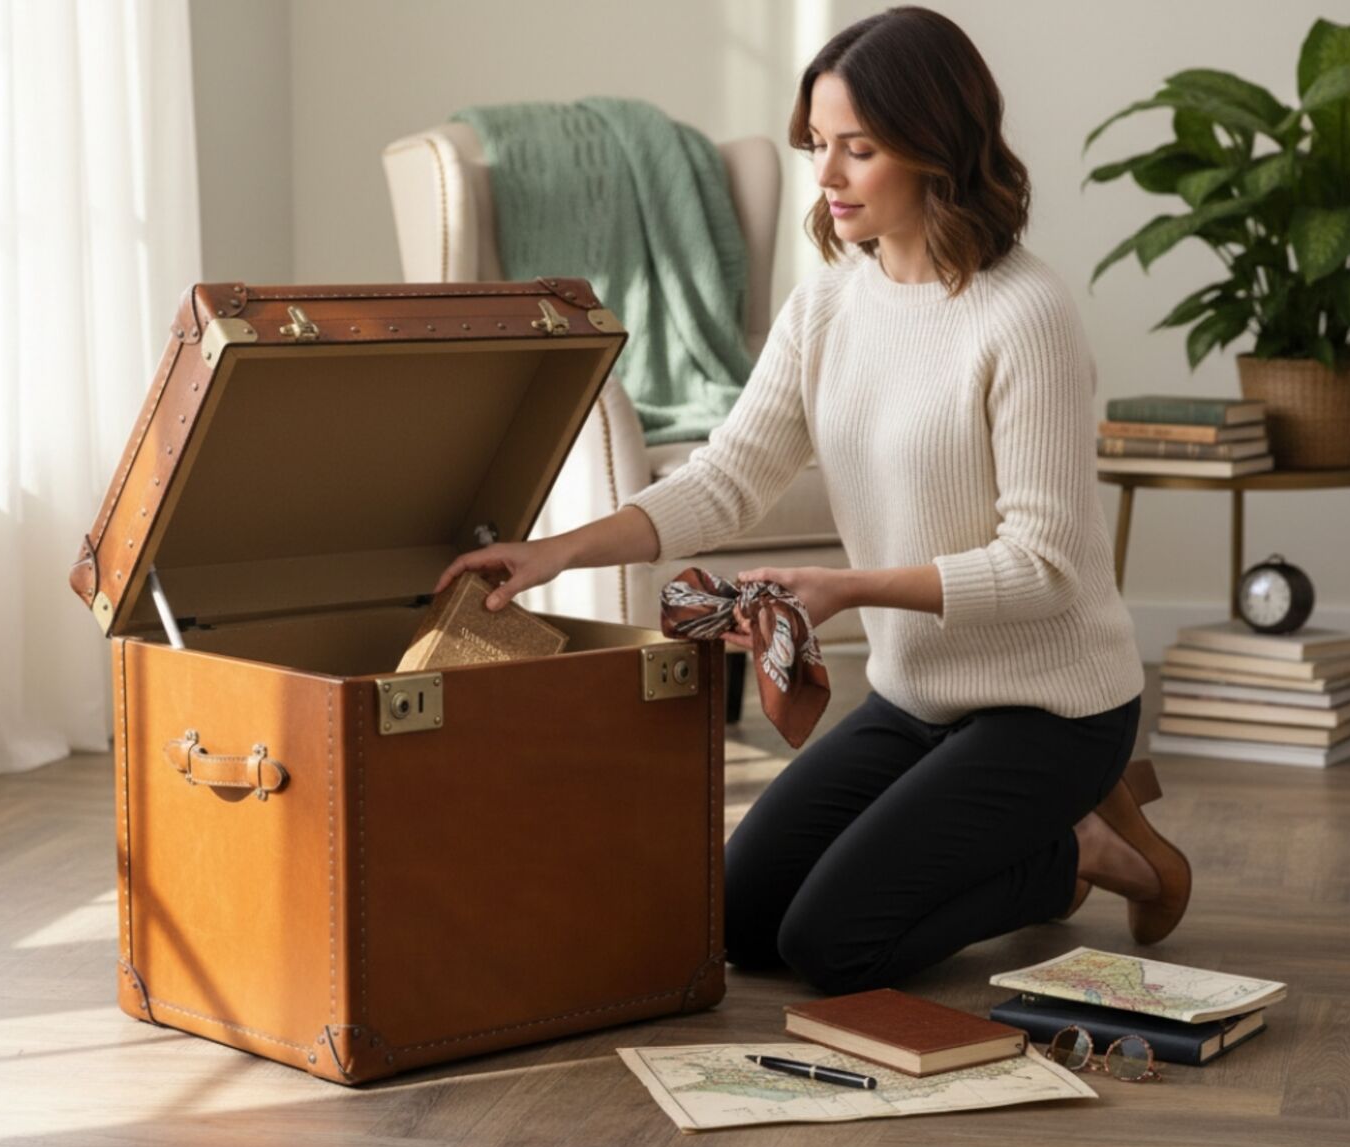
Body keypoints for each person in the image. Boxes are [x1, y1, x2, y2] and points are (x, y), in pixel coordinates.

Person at [434, 5, 1191, 995]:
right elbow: (730, 474)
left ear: (935, 148)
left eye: (857, 149)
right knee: (740, 923)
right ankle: (1036, 839)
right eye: (818, 146)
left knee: (833, 945)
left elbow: (1044, 568)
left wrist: (848, 588)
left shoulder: (1025, 315)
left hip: (1050, 712)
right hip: (920, 699)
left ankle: (1081, 850)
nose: (826, 177)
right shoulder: (829, 302)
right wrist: (555, 552)